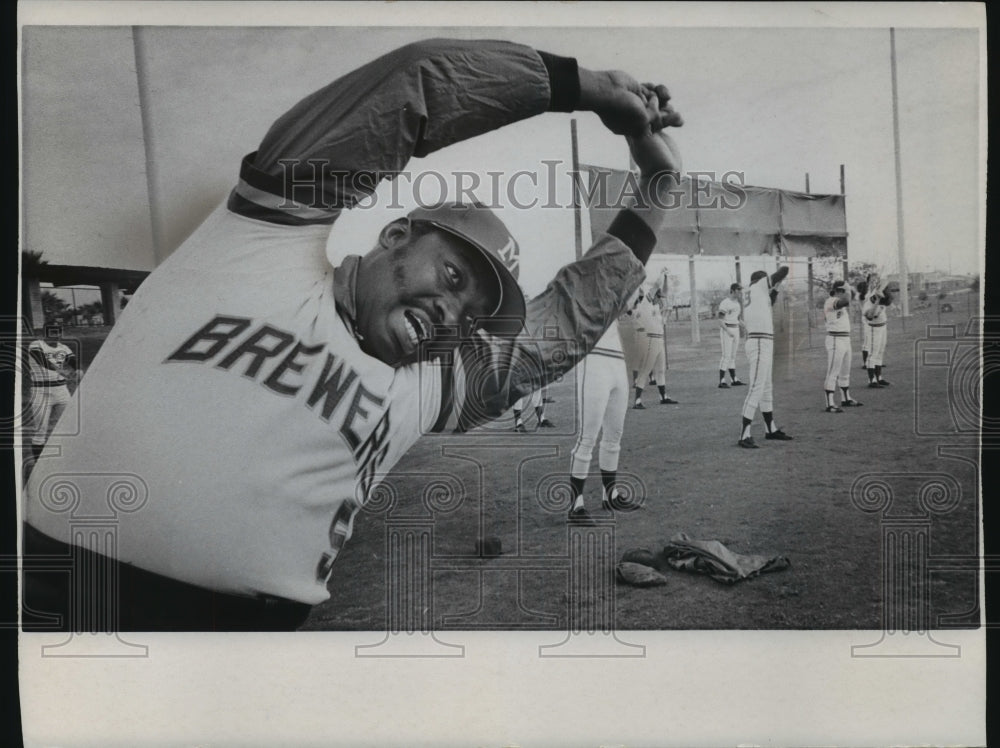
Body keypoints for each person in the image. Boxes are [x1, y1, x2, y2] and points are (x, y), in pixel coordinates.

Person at [22, 38, 684, 631]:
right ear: (395, 235)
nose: (453, 314)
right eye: (453, 276)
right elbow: (411, 90)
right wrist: (586, 87)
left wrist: (657, 185)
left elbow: (565, 321)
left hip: (242, 648)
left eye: (473, 315)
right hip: (66, 602)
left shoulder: (429, 385)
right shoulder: (261, 243)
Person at [565, 317, 632, 524]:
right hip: (593, 357)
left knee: (614, 435)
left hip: (617, 359)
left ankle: (610, 495)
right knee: (587, 437)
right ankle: (576, 504)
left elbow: (629, 308)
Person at [737, 266, 792, 447]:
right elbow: (784, 270)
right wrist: (776, 279)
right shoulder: (758, 285)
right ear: (761, 280)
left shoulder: (755, 293)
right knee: (757, 387)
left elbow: (770, 300)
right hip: (759, 341)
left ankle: (770, 429)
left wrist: (775, 287)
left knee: (766, 387)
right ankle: (744, 435)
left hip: (763, 341)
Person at [26, 323, 79, 462]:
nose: (56, 335)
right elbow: (41, 360)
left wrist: (78, 370)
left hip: (61, 391)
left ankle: (64, 460)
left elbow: (73, 361)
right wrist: (59, 369)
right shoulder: (36, 344)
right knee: (40, 430)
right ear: (45, 333)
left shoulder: (63, 348)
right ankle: (37, 465)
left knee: (67, 425)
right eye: (53, 332)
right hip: (41, 392)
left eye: (58, 332)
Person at [822, 280, 864, 412]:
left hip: (845, 339)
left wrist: (848, 288)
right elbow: (846, 300)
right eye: (843, 291)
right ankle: (829, 404)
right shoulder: (830, 301)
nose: (846, 293)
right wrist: (847, 287)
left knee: (845, 372)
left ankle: (846, 398)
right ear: (838, 291)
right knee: (833, 372)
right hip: (835, 339)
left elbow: (850, 298)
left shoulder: (839, 301)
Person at [632, 288, 677, 408]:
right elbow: (652, 289)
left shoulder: (657, 309)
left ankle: (663, 397)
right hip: (651, 339)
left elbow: (663, 322)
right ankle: (637, 400)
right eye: (659, 297)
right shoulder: (645, 306)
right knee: (646, 370)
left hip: (659, 339)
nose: (660, 299)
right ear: (654, 296)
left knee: (661, 370)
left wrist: (667, 313)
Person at [862, 276, 892, 387]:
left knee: (880, 352)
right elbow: (870, 316)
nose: (874, 283)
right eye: (872, 281)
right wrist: (877, 301)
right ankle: (871, 380)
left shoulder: (878, 292)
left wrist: (880, 289)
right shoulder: (869, 299)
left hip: (883, 326)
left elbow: (886, 280)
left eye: (876, 281)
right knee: (873, 353)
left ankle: (879, 378)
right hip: (874, 328)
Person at [716, 282, 746, 388]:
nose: (740, 292)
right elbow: (720, 320)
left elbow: (738, 319)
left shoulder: (737, 304)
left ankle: (734, 379)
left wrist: (746, 327)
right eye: (738, 290)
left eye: (740, 290)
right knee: (726, 356)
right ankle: (722, 381)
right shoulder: (725, 303)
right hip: (727, 329)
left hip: (736, 328)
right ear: (732, 290)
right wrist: (727, 331)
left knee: (733, 356)